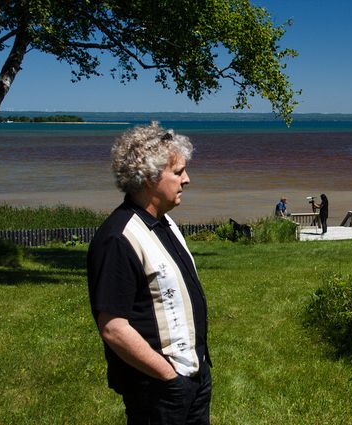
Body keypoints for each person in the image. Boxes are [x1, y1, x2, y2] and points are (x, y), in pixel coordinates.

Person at [87, 122, 211, 425]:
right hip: (158, 388)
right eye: (178, 172)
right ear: (149, 177)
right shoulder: (119, 237)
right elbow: (113, 327)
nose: (187, 179)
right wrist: (168, 377)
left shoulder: (165, 224)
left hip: (193, 377)